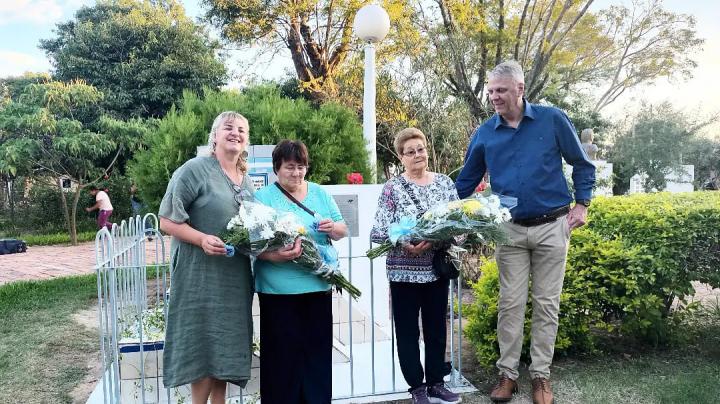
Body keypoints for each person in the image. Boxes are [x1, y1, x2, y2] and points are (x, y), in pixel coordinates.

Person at [455, 61, 596, 404]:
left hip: (552, 226)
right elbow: (465, 183)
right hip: (510, 232)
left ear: (520, 89)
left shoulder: (552, 119)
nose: (493, 97)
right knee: (510, 304)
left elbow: (582, 163)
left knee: (547, 305)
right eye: (490, 91)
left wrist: (583, 204)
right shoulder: (486, 132)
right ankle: (507, 376)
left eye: (500, 90)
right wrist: (448, 211)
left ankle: (541, 377)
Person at [158, 111, 255, 404]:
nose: (235, 133)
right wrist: (201, 239)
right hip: (199, 275)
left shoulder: (246, 179)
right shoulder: (194, 170)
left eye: (241, 129)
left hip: (234, 277)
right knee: (202, 343)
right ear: (214, 136)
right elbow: (166, 221)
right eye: (228, 128)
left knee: (223, 343)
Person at [370, 128, 462, 404]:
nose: (417, 155)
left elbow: (460, 224)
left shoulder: (445, 183)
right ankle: (416, 387)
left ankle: (436, 382)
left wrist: (438, 238)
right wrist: (405, 241)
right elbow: (378, 230)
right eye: (410, 151)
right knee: (408, 331)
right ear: (401, 157)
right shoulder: (393, 188)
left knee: (436, 328)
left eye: (420, 148)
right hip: (403, 272)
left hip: (436, 270)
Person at [253, 139, 348, 404]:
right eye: (289, 167)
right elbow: (251, 245)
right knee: (281, 357)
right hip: (277, 292)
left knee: (316, 355)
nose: (296, 173)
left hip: (317, 288)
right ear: (276, 168)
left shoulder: (320, 194)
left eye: (301, 167)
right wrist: (275, 255)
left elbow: (342, 230)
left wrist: (333, 228)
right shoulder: (263, 198)